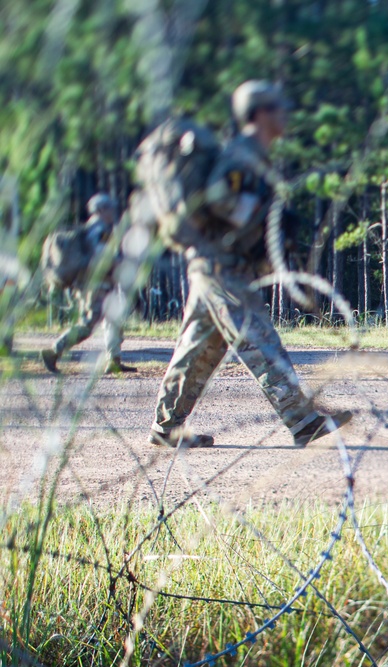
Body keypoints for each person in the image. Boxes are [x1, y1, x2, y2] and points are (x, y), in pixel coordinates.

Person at [148, 80, 351, 448]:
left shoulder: (256, 155)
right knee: (260, 339)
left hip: (220, 266)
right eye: (277, 108)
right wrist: (262, 216)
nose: (284, 114)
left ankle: (166, 428)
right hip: (222, 267)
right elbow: (219, 199)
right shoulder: (242, 153)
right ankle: (303, 421)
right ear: (258, 113)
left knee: (198, 351)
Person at [41, 193, 136, 375]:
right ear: (100, 210)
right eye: (108, 208)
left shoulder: (96, 228)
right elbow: (102, 256)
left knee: (113, 320)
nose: (112, 211)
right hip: (95, 285)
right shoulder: (98, 230)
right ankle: (54, 351)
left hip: (101, 284)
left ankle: (113, 360)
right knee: (87, 324)